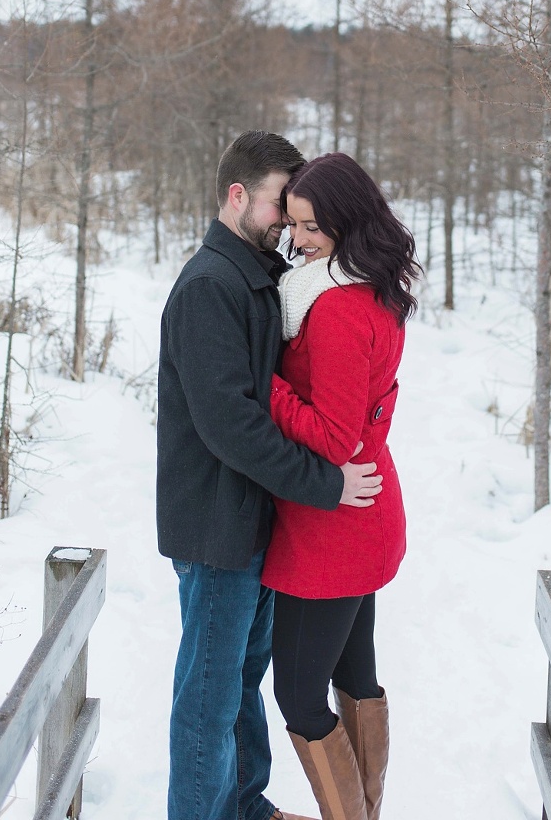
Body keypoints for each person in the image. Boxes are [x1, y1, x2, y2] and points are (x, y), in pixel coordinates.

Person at [157, 131, 384, 820]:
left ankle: (244, 805)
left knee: (242, 682)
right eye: (277, 205)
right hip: (217, 525)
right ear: (236, 195)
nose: (286, 220)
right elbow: (233, 424)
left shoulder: (256, 278)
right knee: (209, 697)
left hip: (256, 522)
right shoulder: (208, 287)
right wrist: (325, 484)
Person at [262, 153, 422, 820]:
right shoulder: (369, 287)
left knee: (300, 697)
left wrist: (261, 385)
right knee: (353, 678)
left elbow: (330, 438)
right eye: (293, 224)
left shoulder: (333, 311)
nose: (297, 241)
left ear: (347, 222)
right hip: (365, 516)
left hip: (329, 534)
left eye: (310, 227)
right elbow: (364, 414)